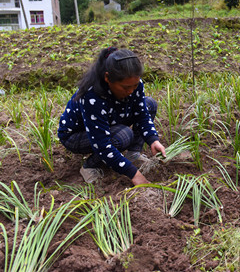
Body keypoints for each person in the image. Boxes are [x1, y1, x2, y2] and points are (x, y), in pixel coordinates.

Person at [58, 47, 166, 185]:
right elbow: (102, 144)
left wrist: (153, 139)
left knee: (149, 104)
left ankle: (133, 154)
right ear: (107, 78)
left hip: (108, 120)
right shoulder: (92, 95)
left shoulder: (135, 85)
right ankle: (89, 166)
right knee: (122, 136)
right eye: (126, 87)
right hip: (76, 135)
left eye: (134, 86)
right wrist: (134, 174)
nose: (131, 91)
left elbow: (142, 114)